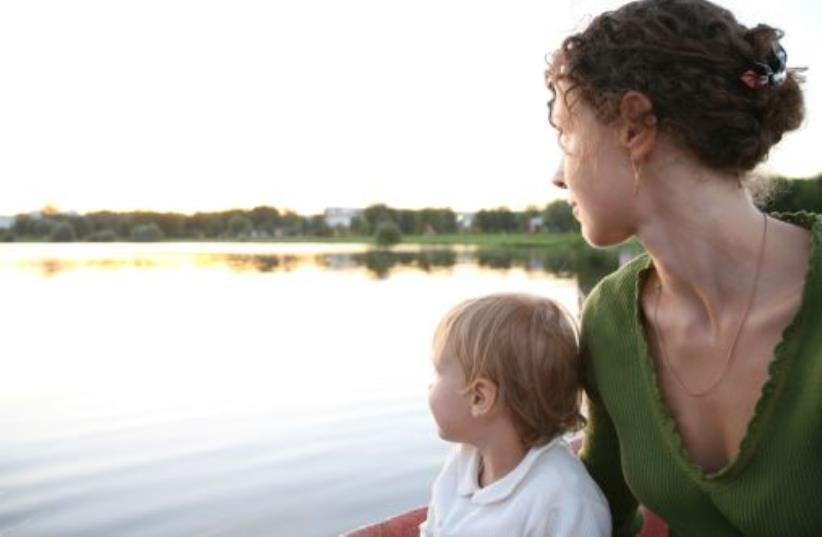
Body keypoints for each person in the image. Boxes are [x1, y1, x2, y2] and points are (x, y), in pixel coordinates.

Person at [545, 0, 821, 535]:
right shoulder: (608, 318)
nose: (558, 175)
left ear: (634, 125)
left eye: (565, 135)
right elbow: (602, 515)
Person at [419, 293, 611, 536]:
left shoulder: (564, 501)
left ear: (479, 397)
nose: (429, 386)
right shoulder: (461, 463)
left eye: (438, 374)